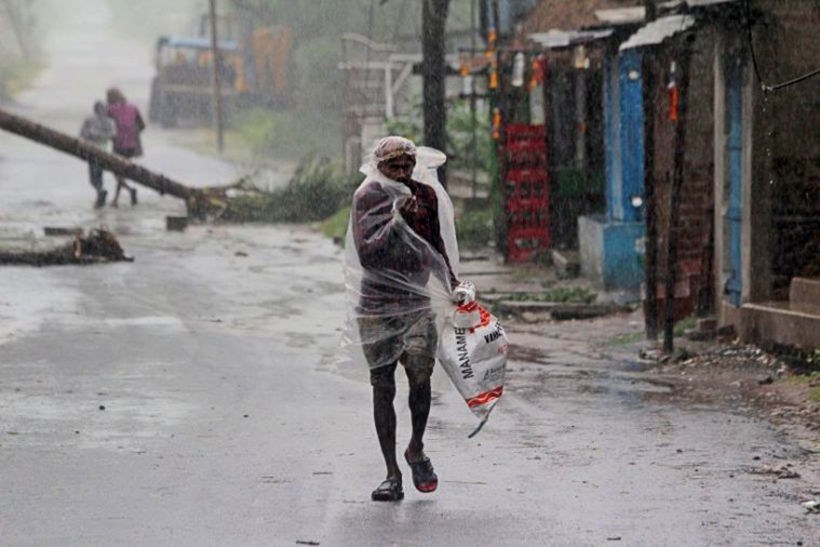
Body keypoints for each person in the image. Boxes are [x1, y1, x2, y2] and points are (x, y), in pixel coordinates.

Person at [346, 136, 471, 502]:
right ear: (379, 167)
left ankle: (415, 447)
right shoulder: (367, 198)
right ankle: (391, 473)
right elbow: (368, 254)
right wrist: (398, 219)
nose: (401, 173)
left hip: (416, 302)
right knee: (382, 385)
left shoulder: (426, 196)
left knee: (421, 375)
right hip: (376, 306)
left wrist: (453, 284)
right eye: (393, 167)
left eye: (407, 166)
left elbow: (436, 248)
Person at [106, 87, 145, 207]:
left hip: (118, 144)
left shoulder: (111, 109)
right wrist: (133, 133)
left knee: (117, 172)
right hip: (130, 146)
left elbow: (105, 123)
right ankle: (119, 197)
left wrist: (110, 135)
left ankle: (126, 192)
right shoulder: (133, 107)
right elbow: (142, 125)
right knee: (122, 171)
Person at [79, 100, 116, 208]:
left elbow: (82, 135)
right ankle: (100, 192)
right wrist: (103, 136)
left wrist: (93, 136)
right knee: (99, 173)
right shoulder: (109, 121)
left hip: (93, 150)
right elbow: (113, 135)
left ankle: (100, 191)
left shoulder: (90, 121)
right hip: (103, 151)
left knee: (93, 176)